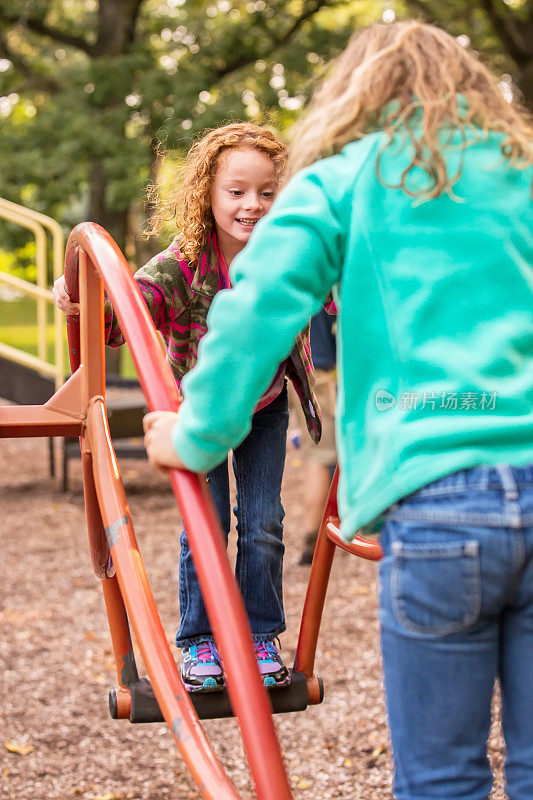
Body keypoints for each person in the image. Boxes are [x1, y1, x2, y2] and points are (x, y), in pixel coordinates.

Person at [144, 21, 533, 799]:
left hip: (437, 500)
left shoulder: (342, 181)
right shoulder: (519, 176)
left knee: (441, 775)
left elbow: (257, 310)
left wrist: (194, 432)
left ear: (356, 97)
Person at [52, 122, 322, 693]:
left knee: (264, 520)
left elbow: (334, 289)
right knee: (205, 520)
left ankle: (257, 634)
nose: (253, 205)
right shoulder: (184, 263)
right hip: (197, 408)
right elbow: (124, 314)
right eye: (237, 191)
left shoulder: (288, 255)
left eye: (268, 192)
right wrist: (78, 296)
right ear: (208, 195)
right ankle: (200, 641)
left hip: (265, 404)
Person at [290, 307, 337, 565]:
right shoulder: (326, 274)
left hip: (296, 369)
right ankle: (312, 539)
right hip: (319, 374)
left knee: (314, 452)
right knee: (320, 457)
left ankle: (316, 536)